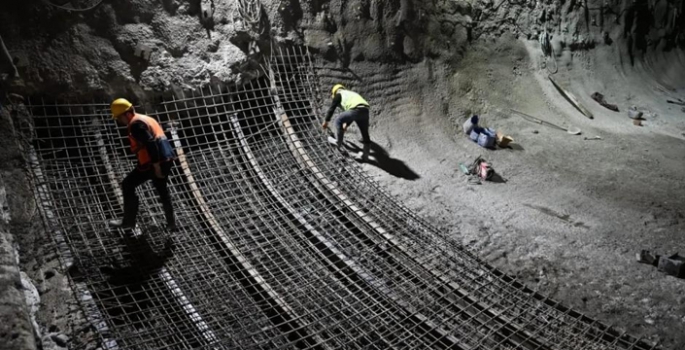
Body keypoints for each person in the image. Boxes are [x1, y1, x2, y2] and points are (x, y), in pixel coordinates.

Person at [108, 98, 177, 231]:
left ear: (127, 113)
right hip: (166, 158)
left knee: (128, 184)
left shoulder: (135, 124)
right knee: (162, 191)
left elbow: (150, 142)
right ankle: (171, 224)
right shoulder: (146, 118)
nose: (119, 121)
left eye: (119, 118)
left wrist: (156, 166)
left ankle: (128, 222)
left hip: (154, 162)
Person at [322, 84, 371, 160]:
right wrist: (347, 125)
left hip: (355, 110)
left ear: (335, 92)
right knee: (365, 133)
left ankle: (338, 142)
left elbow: (332, 108)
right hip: (365, 111)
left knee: (338, 120)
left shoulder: (338, 94)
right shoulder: (350, 94)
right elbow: (353, 112)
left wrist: (326, 121)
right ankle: (365, 155)